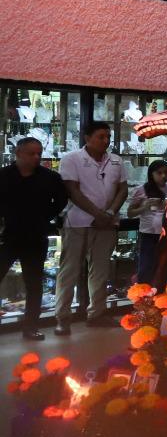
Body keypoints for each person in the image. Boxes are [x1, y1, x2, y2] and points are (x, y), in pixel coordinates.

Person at [56, 122, 127, 333]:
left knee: (101, 271)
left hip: (106, 224)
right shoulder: (71, 159)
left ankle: (97, 313)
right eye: (101, 137)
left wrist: (110, 214)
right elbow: (73, 191)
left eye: (108, 137)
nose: (106, 141)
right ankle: (63, 318)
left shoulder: (116, 160)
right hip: (77, 223)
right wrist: (99, 214)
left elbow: (122, 189)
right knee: (69, 271)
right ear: (87, 138)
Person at [0, 138, 70, 340]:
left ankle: (30, 326)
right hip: (10, 235)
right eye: (31, 153)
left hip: (36, 235)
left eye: (39, 153)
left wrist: (46, 215)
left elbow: (61, 199)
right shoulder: (4, 176)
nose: (37, 157)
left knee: (34, 283)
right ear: (19, 153)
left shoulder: (49, 177)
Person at [126, 160, 167, 287]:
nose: (163, 176)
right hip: (148, 234)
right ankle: (143, 295)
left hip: (166, 234)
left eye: (166, 172)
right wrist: (145, 207)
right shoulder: (141, 190)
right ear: (151, 174)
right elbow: (130, 213)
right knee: (146, 266)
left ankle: (160, 294)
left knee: (163, 266)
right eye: (159, 173)